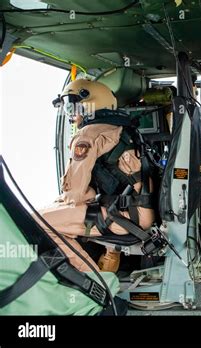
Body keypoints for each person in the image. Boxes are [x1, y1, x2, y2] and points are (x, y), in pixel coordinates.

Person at [38, 79, 155, 273]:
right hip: (140, 210)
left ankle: (92, 282)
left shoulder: (87, 134)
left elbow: (74, 195)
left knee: (38, 223)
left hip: (126, 216)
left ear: (89, 103)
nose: (71, 116)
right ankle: (110, 257)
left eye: (72, 107)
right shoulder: (121, 128)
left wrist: (66, 202)